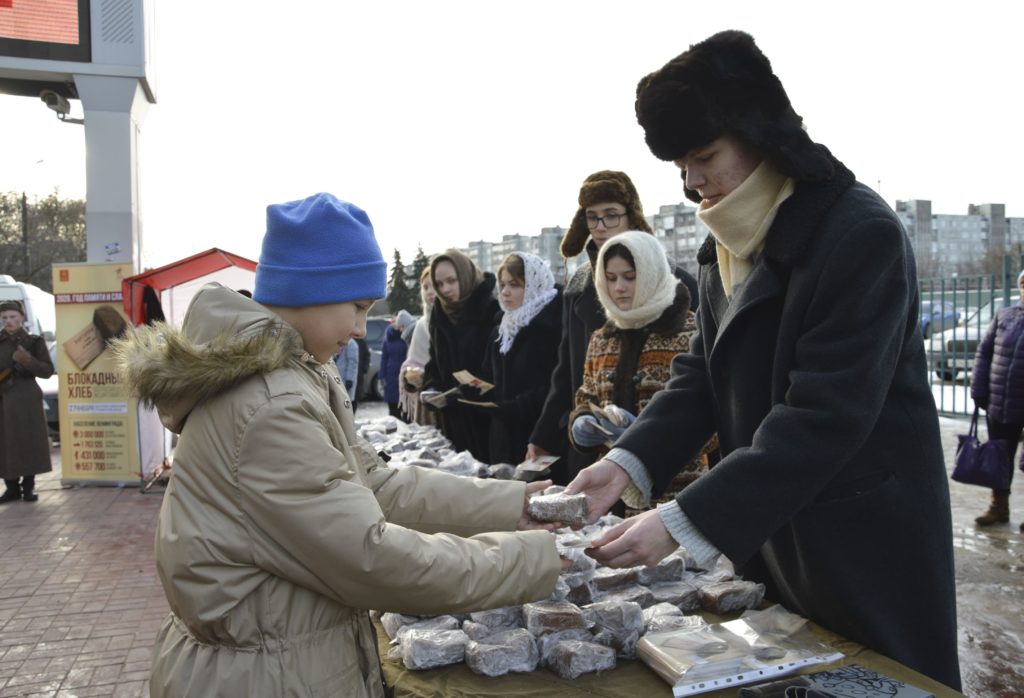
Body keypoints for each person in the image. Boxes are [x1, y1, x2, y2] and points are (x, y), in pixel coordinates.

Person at [565, 31, 960, 690]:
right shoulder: (726, 244)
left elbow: (824, 417)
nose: (692, 183)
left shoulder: (858, 234)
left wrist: (681, 520)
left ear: (758, 134)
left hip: (863, 544)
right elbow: (702, 381)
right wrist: (623, 462)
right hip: (778, 534)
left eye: (703, 157)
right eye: (679, 166)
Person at [113, 193, 563, 697]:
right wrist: (533, 559)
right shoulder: (268, 404)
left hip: (272, 662)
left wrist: (508, 505)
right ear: (308, 290)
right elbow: (369, 556)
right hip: (261, 678)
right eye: (356, 307)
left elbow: (375, 483)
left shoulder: (291, 376)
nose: (356, 329)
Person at [528, 170, 698, 485]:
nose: (601, 227)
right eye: (592, 218)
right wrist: (553, 432)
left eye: (611, 215)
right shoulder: (579, 285)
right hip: (596, 456)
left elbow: (702, 393)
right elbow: (568, 370)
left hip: (668, 470)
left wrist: (651, 431)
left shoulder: (677, 282)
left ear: (631, 215)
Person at [567, 232, 708, 510]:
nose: (619, 287)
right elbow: (587, 396)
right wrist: (582, 424)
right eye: (611, 277)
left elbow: (712, 417)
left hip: (677, 493)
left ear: (651, 272)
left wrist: (648, 435)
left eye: (630, 277)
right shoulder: (601, 338)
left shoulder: (690, 330)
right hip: (612, 497)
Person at [474, 252, 562, 465]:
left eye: (514, 285)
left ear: (533, 285)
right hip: (502, 437)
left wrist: (515, 407)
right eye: (502, 285)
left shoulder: (553, 326)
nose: (504, 292)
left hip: (539, 436)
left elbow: (556, 385)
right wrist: (470, 392)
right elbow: (488, 376)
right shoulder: (501, 329)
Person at [422, 249, 499, 462]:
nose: (445, 289)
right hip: (452, 419)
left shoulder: (490, 309)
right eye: (439, 284)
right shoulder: (439, 313)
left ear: (464, 276)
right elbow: (434, 360)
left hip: (485, 418)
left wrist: (465, 393)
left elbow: (495, 369)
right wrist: (430, 388)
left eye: (451, 281)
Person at [970, 269, 1024, 531]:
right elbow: (984, 353)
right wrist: (979, 389)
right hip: (1001, 401)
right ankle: (998, 508)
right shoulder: (1006, 315)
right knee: (1000, 455)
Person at [0, 299, 54, 504]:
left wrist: (28, 361)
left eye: (13, 317)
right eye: (4, 317)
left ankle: (28, 487)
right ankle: (11, 488)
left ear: (22, 317)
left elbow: (47, 371)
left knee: (28, 441)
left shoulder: (34, 341)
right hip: (3, 398)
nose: (9, 321)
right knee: (5, 443)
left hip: (26, 397)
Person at [399, 269, 436, 425]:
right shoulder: (422, 325)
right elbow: (413, 362)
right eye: (425, 287)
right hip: (427, 407)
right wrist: (410, 376)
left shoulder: (463, 322)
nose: (429, 292)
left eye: (434, 285)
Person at [380, 310, 412, 419]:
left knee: (406, 407)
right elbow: (384, 357)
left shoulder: (407, 333)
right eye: (392, 320)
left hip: (405, 373)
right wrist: (382, 375)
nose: (394, 323)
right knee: (393, 409)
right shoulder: (388, 334)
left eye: (396, 320)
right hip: (391, 374)